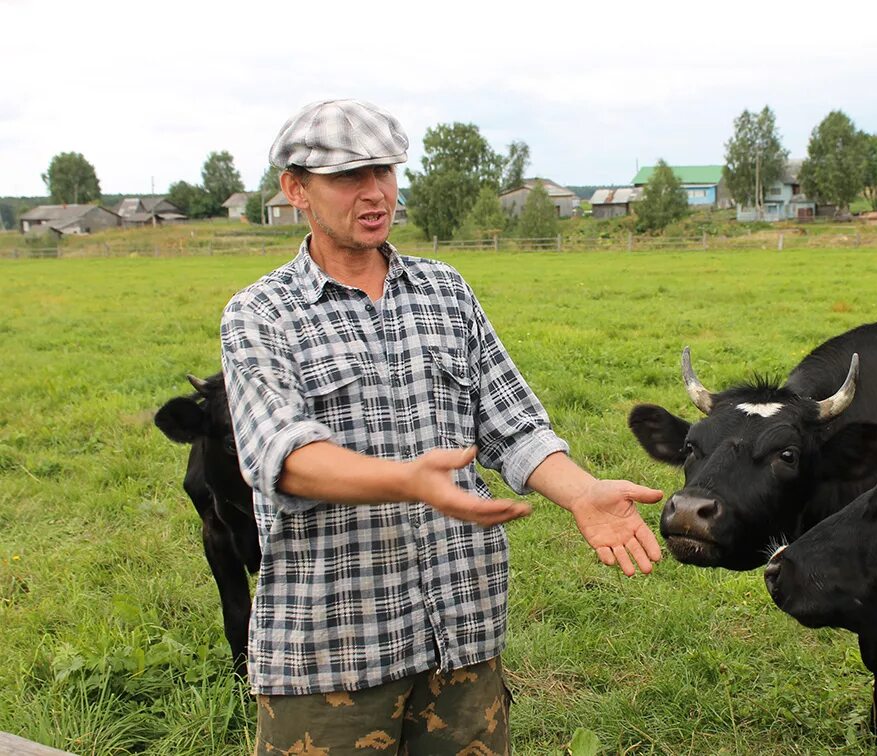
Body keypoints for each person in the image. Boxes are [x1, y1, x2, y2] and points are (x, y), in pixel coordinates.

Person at [220, 99, 664, 755]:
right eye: (348, 177)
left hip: (462, 638)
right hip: (332, 656)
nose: (375, 193)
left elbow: (514, 425)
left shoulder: (444, 292)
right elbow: (282, 458)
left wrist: (581, 492)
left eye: (384, 171)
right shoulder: (260, 315)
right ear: (296, 190)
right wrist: (408, 480)